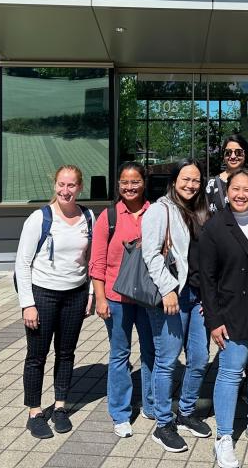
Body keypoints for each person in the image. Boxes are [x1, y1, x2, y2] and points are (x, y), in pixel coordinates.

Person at [200, 168, 248, 468]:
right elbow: (206, 279)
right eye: (236, 189)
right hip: (231, 311)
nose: (241, 195)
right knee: (231, 373)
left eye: (247, 189)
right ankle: (224, 437)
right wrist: (214, 320)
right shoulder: (216, 226)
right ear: (226, 191)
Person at [15, 165, 93, 439]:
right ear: (55, 185)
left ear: (79, 187)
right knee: (37, 356)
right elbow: (22, 264)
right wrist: (28, 303)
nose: (65, 190)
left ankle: (60, 406)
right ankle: (35, 412)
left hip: (75, 294)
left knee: (66, 353)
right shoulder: (40, 218)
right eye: (61, 184)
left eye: (71, 185)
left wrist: (91, 293)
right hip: (43, 294)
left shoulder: (88, 217)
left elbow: (91, 260)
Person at [142, 159, 213, 453]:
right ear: (174, 180)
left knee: (199, 358)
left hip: (198, 296)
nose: (191, 185)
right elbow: (151, 253)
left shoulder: (203, 210)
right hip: (173, 296)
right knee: (167, 360)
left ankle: (185, 412)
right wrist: (168, 289)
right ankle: (163, 423)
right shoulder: (160, 210)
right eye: (186, 179)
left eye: (196, 180)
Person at [89, 161, 156, 437]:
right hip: (116, 299)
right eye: (124, 182)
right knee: (120, 354)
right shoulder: (109, 216)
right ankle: (120, 412)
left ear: (144, 183)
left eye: (135, 181)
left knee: (152, 352)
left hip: (149, 298)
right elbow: (97, 262)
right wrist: (100, 299)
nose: (130, 187)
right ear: (118, 185)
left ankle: (151, 404)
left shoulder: (156, 213)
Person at [205, 133, 248, 214]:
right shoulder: (213, 184)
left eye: (238, 152)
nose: (232, 156)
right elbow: (208, 216)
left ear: (245, 154)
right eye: (228, 152)